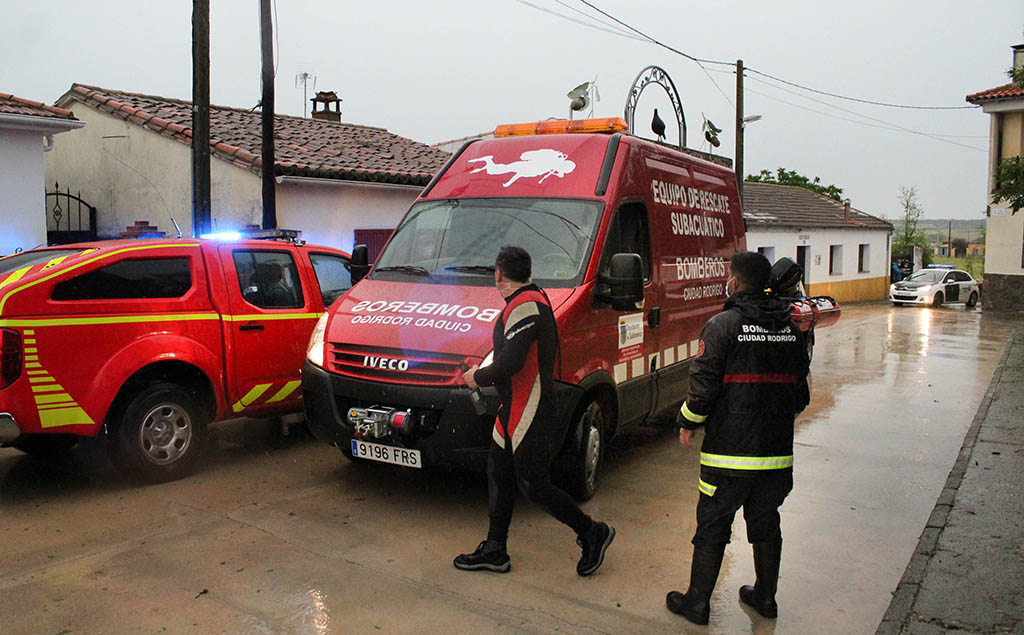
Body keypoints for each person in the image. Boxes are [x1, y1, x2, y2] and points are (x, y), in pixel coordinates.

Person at [667, 251, 810, 625]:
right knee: (766, 522)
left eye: (729, 275)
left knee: (713, 525)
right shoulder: (791, 331)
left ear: (735, 280)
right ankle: (765, 598)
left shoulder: (722, 326)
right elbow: (800, 396)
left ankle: (697, 603)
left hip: (727, 458)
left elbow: (703, 388)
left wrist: (687, 421)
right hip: (775, 457)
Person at [456, 245, 615, 576]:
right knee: (498, 473)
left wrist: (477, 377)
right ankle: (496, 549)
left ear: (499, 275)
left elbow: (512, 361)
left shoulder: (526, 305)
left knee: (534, 484)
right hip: (512, 407)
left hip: (531, 407)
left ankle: (592, 532)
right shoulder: (527, 301)